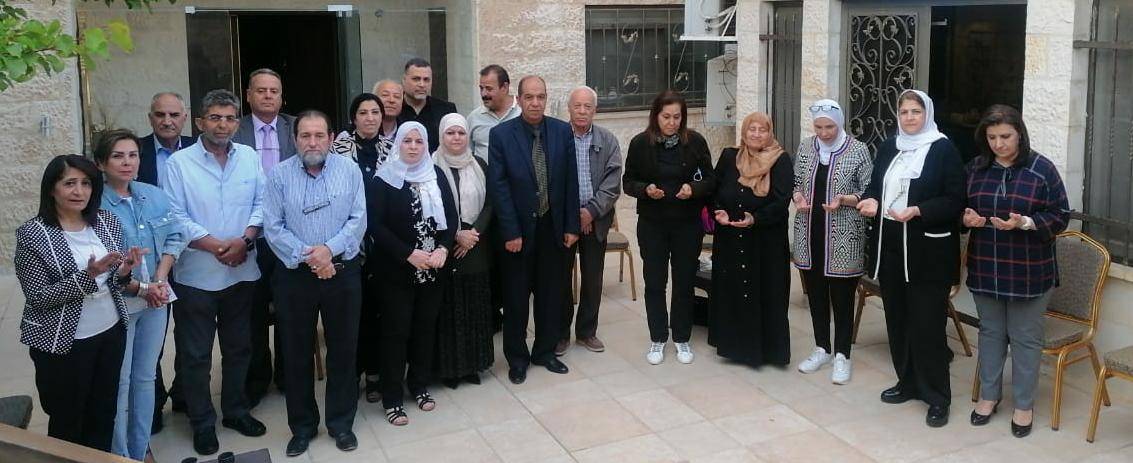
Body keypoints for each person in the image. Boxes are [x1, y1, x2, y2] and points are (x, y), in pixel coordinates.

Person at [15, 154, 145, 452]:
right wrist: (88, 277)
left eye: (86, 183)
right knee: (68, 421)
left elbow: (115, 282)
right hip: (64, 343)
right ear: (52, 188)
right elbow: (38, 297)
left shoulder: (106, 222)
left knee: (103, 413)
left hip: (110, 332)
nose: (79, 191)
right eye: (69, 183)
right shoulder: (33, 234)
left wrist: (123, 271)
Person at [164, 89, 268, 455]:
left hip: (242, 271)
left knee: (239, 348)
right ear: (199, 122)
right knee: (196, 355)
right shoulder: (179, 164)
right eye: (215, 118)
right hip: (196, 276)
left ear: (237, 123)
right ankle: (202, 422)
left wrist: (245, 240)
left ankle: (236, 411)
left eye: (229, 118)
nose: (222, 125)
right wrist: (215, 247)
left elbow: (262, 203)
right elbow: (175, 217)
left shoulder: (249, 157)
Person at [856, 89, 964, 428]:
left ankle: (937, 396)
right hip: (891, 248)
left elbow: (955, 200)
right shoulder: (891, 146)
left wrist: (918, 210)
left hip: (927, 252)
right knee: (898, 321)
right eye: (903, 112)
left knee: (927, 326)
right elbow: (876, 186)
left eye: (915, 111)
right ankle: (908, 382)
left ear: (927, 114)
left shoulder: (943, 149)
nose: (909, 117)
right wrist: (871, 201)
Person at [264, 110, 367, 456]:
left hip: (342, 273)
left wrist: (328, 251)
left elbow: (358, 220)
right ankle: (303, 427)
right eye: (305, 136)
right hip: (295, 276)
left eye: (319, 135)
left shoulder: (349, 170)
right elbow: (273, 227)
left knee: (343, 350)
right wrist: (311, 256)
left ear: (331, 138)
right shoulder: (278, 175)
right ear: (294, 140)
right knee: (295, 353)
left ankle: (341, 423)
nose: (312, 142)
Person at [963, 104, 1069, 438]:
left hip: (1029, 271)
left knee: (1025, 338)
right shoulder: (976, 168)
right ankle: (989, 396)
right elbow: (959, 206)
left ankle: (1024, 404)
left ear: (1020, 134)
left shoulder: (1041, 169)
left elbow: (1061, 215)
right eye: (992, 137)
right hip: (986, 266)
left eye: (1005, 136)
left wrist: (1025, 222)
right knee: (991, 333)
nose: (999, 144)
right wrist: (967, 218)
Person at [95, 129, 184, 460]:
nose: (127, 162)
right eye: (118, 156)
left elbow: (175, 236)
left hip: (156, 300)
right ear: (101, 163)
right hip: (118, 304)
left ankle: (140, 446)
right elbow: (101, 262)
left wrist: (159, 279)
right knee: (120, 382)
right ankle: (120, 454)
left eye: (132, 155)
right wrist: (143, 289)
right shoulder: (95, 204)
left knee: (145, 378)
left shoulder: (153, 195)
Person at [488, 75, 580, 385]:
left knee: (550, 295)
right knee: (516, 298)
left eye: (540, 96)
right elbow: (498, 187)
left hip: (552, 227)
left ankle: (544, 352)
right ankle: (517, 359)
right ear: (519, 99)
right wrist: (510, 231)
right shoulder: (501, 135)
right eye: (529, 97)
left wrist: (571, 225)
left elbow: (570, 181)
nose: (536, 103)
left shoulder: (562, 131)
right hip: (517, 232)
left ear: (546, 98)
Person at [369, 122, 458, 425]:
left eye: (419, 142)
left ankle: (419, 385)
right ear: (398, 144)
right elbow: (375, 226)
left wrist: (444, 248)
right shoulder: (385, 179)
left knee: (424, 329)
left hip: (432, 270)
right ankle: (392, 397)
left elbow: (451, 218)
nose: (413, 147)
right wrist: (408, 254)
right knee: (396, 333)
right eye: (406, 141)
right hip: (397, 271)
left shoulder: (436, 175)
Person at [622, 90, 716, 366]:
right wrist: (646, 189)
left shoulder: (695, 142)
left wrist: (693, 189)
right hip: (653, 224)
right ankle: (658, 337)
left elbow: (710, 180)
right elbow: (628, 182)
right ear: (655, 116)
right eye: (666, 117)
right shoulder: (640, 143)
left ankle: (682, 337)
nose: (672, 123)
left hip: (687, 225)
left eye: (677, 117)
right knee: (654, 282)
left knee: (684, 282)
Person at [792, 100, 873, 384]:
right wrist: (797, 196)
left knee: (842, 298)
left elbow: (869, 190)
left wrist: (845, 200)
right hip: (809, 231)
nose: (824, 133)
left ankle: (842, 355)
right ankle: (822, 348)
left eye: (830, 127)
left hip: (844, 235)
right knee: (815, 294)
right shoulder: (806, 147)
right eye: (819, 127)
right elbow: (796, 181)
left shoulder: (858, 150)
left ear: (839, 124)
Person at [231, 68, 297, 406]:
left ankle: (288, 376)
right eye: (261, 90)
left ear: (282, 96)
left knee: (290, 307)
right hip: (250, 235)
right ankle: (257, 379)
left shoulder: (296, 127)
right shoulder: (235, 129)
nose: (268, 95)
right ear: (248, 95)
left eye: (274, 90)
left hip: (289, 233)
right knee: (253, 311)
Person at [706, 112, 793, 368]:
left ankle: (767, 352)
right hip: (731, 238)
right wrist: (718, 211)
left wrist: (755, 219)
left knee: (765, 292)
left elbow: (781, 201)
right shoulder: (729, 157)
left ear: (770, 133)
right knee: (733, 292)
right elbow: (713, 190)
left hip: (765, 242)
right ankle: (735, 348)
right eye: (751, 129)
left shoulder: (780, 160)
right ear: (744, 132)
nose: (756, 134)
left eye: (762, 130)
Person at [332, 93, 391, 403]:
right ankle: (351, 374)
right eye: (363, 112)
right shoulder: (337, 151)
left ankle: (375, 373)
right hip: (349, 244)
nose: (370, 118)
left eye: (375, 112)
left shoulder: (393, 149)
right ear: (353, 118)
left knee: (379, 311)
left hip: (385, 244)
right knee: (351, 314)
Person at [557, 86, 622, 356]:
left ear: (595, 110)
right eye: (577, 106)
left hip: (596, 220)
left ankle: (586, 332)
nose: (582, 111)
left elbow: (613, 183)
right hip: (565, 221)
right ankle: (561, 334)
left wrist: (590, 212)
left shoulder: (608, 140)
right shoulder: (557, 136)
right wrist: (574, 215)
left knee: (593, 278)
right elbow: (552, 179)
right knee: (561, 279)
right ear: (569, 109)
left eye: (588, 107)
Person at [432, 113, 495, 388]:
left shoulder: (479, 164)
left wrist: (473, 233)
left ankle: (472, 366)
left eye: (461, 133)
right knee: (448, 308)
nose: (456, 138)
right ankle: (449, 370)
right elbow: (429, 207)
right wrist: (455, 235)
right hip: (445, 243)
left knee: (474, 305)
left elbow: (491, 203)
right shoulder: (429, 167)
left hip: (476, 244)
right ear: (441, 136)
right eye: (450, 133)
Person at [398, 58, 458, 152]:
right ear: (404, 80)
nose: (422, 84)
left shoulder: (446, 110)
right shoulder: (394, 108)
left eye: (426, 80)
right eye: (416, 79)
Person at [138, 92, 195, 188]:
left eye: (174, 115)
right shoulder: (136, 149)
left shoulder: (197, 148)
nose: (167, 122)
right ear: (150, 119)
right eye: (160, 115)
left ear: (184, 118)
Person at [468, 64, 521, 160]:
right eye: (481, 88)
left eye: (489, 89)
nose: (483, 94)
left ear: (504, 87)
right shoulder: (474, 117)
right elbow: (467, 152)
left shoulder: (522, 113)